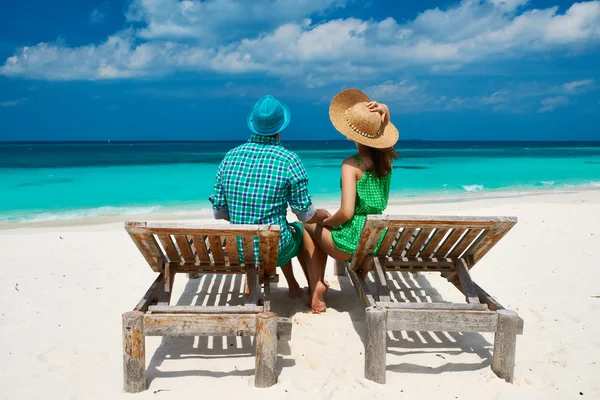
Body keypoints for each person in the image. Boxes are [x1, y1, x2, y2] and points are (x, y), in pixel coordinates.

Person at [209, 95, 330, 298]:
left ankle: (293, 285)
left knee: (278, 230)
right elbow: (304, 215)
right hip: (275, 248)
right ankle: (314, 285)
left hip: (239, 249)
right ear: (281, 127)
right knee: (300, 230)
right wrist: (322, 215)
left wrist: (248, 216)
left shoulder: (230, 156)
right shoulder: (289, 159)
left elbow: (219, 212)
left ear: (253, 125)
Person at [302, 88, 399, 313]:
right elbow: (385, 143)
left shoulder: (351, 165)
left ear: (349, 134)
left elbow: (346, 213)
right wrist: (385, 111)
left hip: (353, 243)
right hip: (377, 238)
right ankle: (317, 284)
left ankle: (317, 285)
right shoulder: (387, 161)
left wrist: (325, 222)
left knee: (307, 225)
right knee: (323, 222)